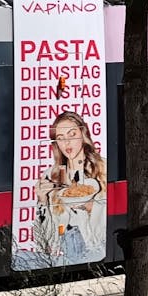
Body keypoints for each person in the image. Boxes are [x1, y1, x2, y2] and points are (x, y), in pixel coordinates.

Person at [34, 111, 107, 263]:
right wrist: (42, 201)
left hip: (98, 249)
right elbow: (44, 240)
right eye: (60, 138)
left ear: (83, 134)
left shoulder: (104, 168)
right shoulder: (51, 175)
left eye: (72, 134)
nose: (66, 143)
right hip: (65, 252)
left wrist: (92, 207)